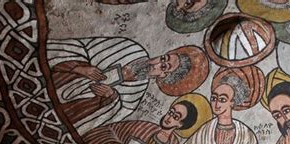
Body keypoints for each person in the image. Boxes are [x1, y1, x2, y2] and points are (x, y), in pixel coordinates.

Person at [47, 37, 208, 136]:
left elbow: (111, 115)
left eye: (164, 67)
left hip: (69, 108)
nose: (156, 63)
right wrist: (79, 67)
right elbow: (80, 47)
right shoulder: (128, 48)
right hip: (57, 79)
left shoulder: (136, 93)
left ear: (163, 76)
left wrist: (111, 97)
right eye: (163, 58)